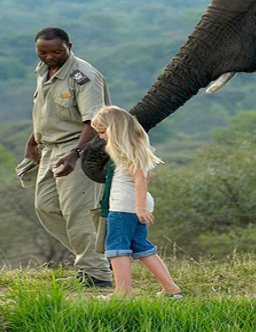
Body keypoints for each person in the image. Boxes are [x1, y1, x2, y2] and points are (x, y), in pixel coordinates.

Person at [24, 27, 114, 287]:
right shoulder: (43, 71)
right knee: (46, 207)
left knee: (79, 213)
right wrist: (32, 142)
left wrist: (76, 155)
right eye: (43, 52)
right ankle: (99, 256)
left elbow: (94, 121)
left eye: (56, 51)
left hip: (78, 149)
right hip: (48, 149)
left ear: (69, 47)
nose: (50, 56)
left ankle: (96, 274)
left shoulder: (83, 76)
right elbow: (43, 111)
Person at [90, 105, 182, 298]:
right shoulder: (138, 148)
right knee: (141, 246)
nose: (101, 137)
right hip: (135, 206)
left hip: (124, 208)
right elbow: (145, 178)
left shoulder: (127, 151)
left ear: (113, 130)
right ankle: (170, 288)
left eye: (102, 132)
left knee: (116, 248)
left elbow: (140, 178)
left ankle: (122, 294)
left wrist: (139, 207)